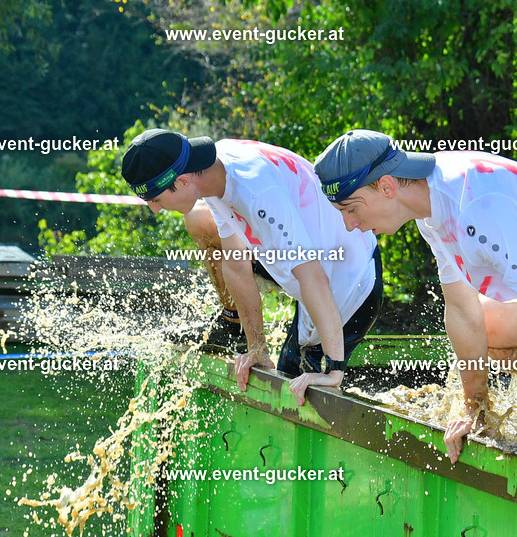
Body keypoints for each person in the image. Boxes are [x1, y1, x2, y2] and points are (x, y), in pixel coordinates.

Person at [314, 130, 517, 495]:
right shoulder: (432, 202)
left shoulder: (477, 212)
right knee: (486, 330)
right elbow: (463, 310)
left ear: (386, 187)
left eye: (351, 209)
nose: (350, 225)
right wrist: (475, 412)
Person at [122, 129, 382, 405]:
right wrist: (256, 346)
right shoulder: (211, 170)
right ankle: (230, 321)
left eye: (156, 199)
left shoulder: (257, 192)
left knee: (294, 395)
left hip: (350, 285)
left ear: (183, 181)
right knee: (198, 220)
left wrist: (334, 369)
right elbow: (235, 264)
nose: (154, 209)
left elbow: (313, 277)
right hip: (320, 269)